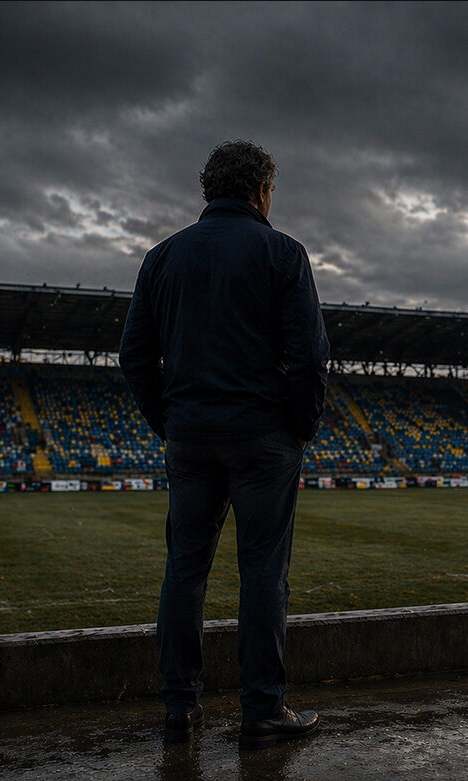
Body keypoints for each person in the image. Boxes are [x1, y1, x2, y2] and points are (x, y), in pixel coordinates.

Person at [119, 140, 330, 748]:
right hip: (262, 435)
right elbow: (310, 356)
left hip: (189, 433)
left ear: (209, 190)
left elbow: (134, 354)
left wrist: (170, 421)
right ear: (263, 190)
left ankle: (180, 708)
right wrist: (301, 426)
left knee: (184, 569)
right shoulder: (283, 253)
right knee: (264, 570)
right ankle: (262, 710)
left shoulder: (161, 258)